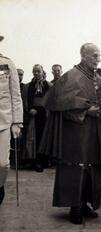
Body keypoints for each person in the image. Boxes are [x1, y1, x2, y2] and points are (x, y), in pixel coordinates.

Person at [40, 43, 101, 224]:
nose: (99, 59)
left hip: (95, 131)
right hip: (76, 132)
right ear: (84, 56)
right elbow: (59, 104)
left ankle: (86, 202)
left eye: (99, 56)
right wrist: (85, 110)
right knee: (76, 167)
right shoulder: (70, 77)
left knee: (93, 167)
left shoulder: (97, 78)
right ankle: (75, 206)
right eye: (95, 56)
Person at [0, 35, 23, 205]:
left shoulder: (7, 64)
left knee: (2, 164)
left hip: (4, 121)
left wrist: (17, 122)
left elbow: (16, 95)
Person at [24, 65, 52, 172]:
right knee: (34, 139)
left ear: (42, 72)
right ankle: (36, 162)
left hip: (45, 115)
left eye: (38, 71)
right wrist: (30, 109)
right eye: (34, 71)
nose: (36, 73)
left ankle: (45, 161)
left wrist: (40, 110)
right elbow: (25, 100)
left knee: (44, 138)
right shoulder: (28, 86)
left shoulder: (49, 85)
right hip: (33, 117)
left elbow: (51, 101)